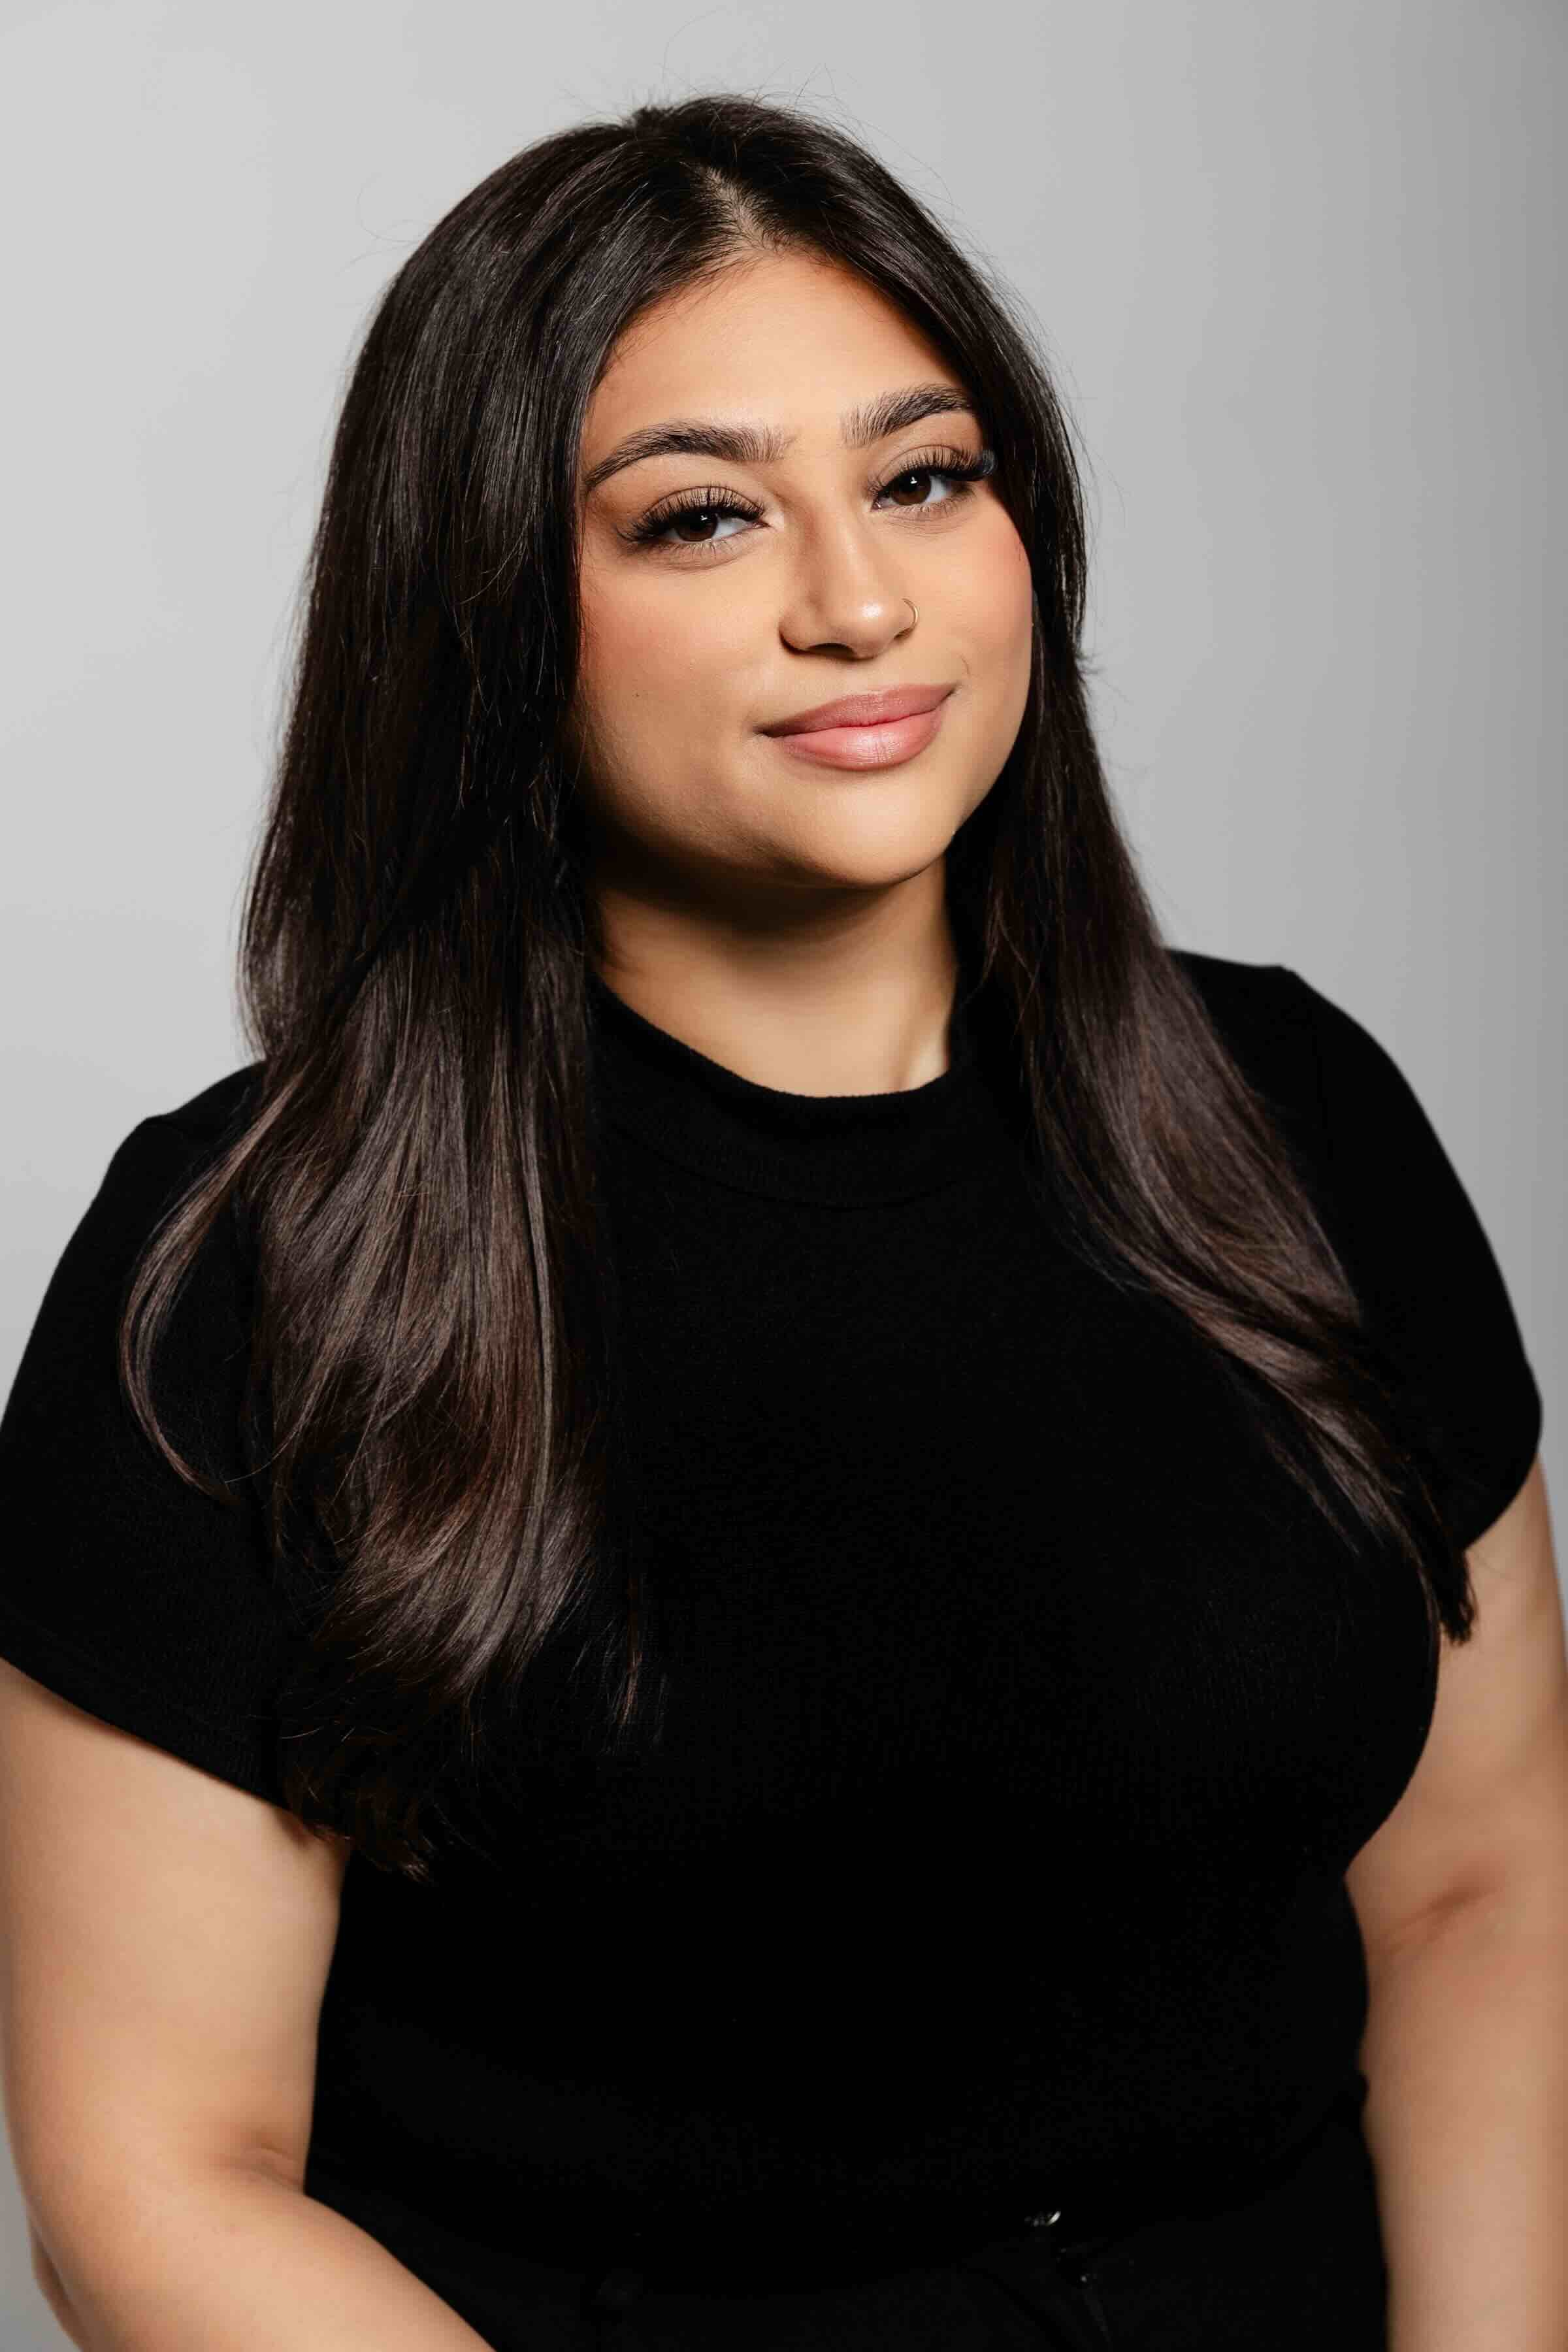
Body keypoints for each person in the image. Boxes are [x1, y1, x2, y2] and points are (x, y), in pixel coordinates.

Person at [0, 90, 1560, 2352]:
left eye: (924, 477)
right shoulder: (246, 1266)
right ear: (493, 615)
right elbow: (154, 2175)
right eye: (702, 516)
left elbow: (1480, 1894)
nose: (860, 603)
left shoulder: (1298, 1116)